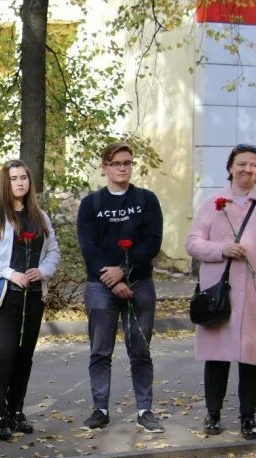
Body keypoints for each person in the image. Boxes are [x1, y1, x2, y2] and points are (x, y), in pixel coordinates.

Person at [187, 145, 256, 439]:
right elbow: (193, 243)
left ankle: (249, 418)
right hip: (221, 293)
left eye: (254, 165)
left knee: (252, 357)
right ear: (231, 166)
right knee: (217, 357)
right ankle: (213, 415)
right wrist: (221, 249)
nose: (248, 169)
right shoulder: (213, 203)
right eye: (242, 163)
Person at [76, 142, 165, 433]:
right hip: (101, 287)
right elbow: (88, 247)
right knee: (100, 351)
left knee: (140, 350)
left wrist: (124, 272)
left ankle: (144, 410)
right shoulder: (91, 204)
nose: (123, 168)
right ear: (104, 167)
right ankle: (100, 409)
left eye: (127, 162)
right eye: (116, 163)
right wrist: (112, 280)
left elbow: (152, 242)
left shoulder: (146, 200)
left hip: (139, 283)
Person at [0, 160, 61, 440]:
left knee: (25, 355)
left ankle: (16, 410)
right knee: (5, 352)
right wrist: (11, 273)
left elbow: (53, 252)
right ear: (5, 183)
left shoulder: (40, 217)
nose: (20, 182)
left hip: (34, 296)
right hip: (3, 296)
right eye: (14, 178)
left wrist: (43, 271)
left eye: (24, 177)